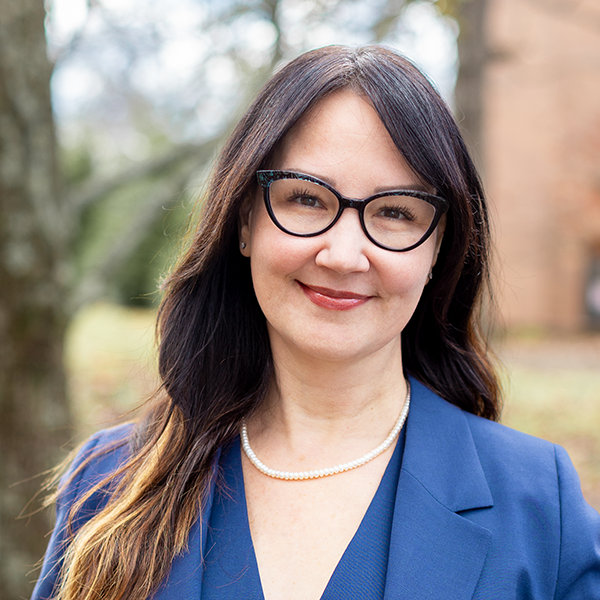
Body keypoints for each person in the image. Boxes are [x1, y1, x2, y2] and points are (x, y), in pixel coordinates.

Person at [32, 45, 600, 600]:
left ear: (438, 250)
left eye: (395, 211)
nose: (344, 255)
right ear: (245, 221)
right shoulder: (109, 483)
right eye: (307, 199)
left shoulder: (538, 506)